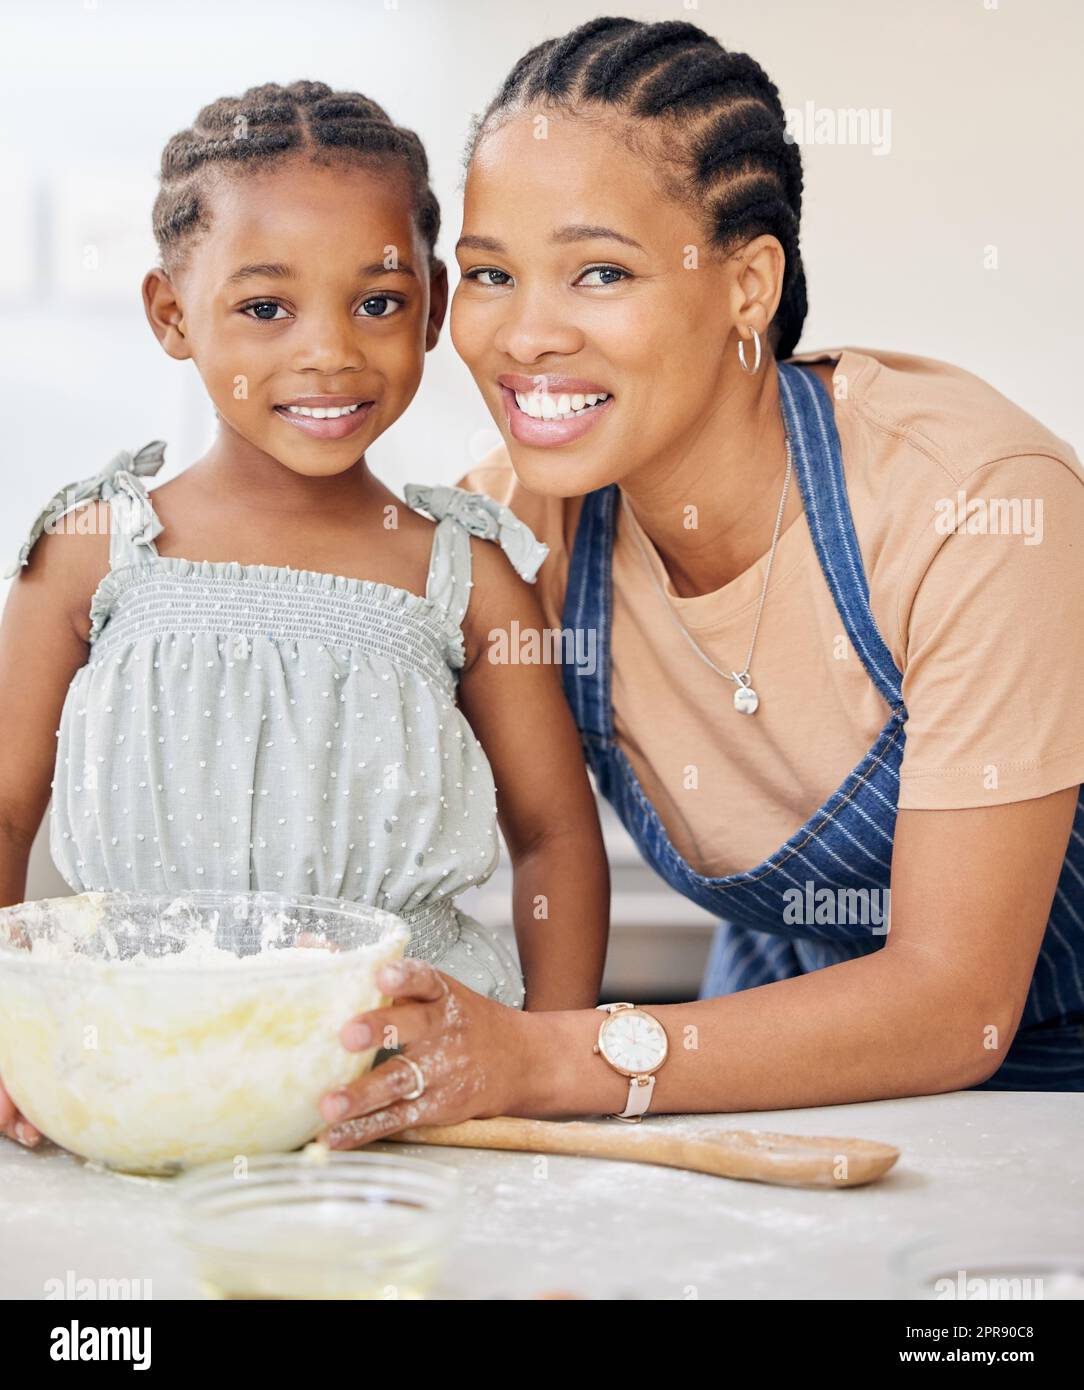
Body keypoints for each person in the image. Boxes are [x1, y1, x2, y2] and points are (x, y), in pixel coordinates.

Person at [314, 17, 1084, 1148]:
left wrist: (540, 1055)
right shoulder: (513, 540)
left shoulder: (971, 504)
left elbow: (955, 1003)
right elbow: (327, 813)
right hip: (778, 1043)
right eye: (488, 273)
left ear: (746, 285)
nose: (524, 334)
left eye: (599, 271)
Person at [0, 80, 609, 1151]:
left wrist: (541, 1057)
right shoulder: (93, 549)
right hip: (143, 1073)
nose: (329, 352)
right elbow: (4, 810)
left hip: (398, 1088)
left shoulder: (465, 572)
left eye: (376, 302)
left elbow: (555, 837)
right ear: (171, 313)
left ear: (428, 300)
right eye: (266, 307)